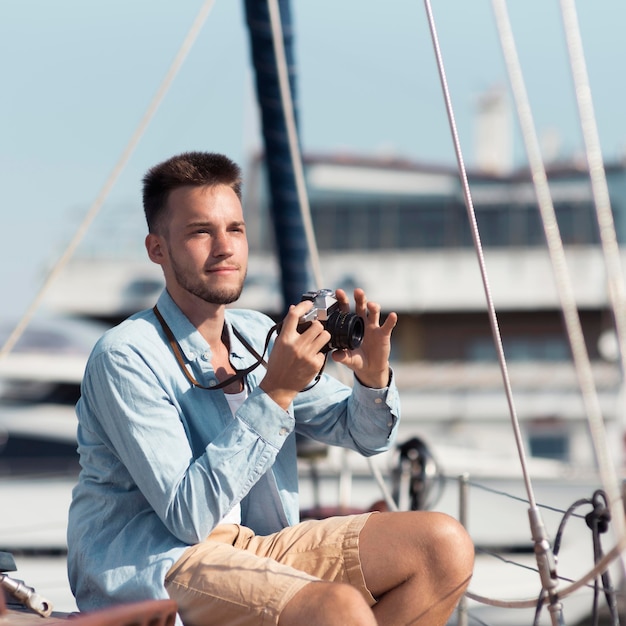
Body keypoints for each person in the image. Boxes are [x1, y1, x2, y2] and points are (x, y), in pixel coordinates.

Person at [67, 151, 474, 626]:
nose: (224, 247)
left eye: (235, 229)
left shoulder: (255, 333)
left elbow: (366, 435)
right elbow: (188, 516)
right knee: (335, 606)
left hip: (256, 546)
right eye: (201, 231)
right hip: (161, 564)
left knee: (442, 547)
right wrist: (275, 393)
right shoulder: (125, 355)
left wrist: (371, 375)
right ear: (157, 249)